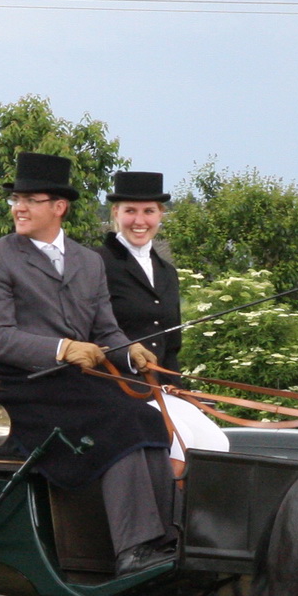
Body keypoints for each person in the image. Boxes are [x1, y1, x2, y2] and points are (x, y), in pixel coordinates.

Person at [0, 152, 178, 576]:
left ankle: (164, 539)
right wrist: (62, 348)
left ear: (59, 207)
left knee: (149, 419)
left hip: (76, 386)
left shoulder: (88, 261)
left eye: (30, 200)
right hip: (23, 386)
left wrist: (129, 352)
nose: (19, 208)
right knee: (121, 419)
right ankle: (132, 549)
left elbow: (106, 330)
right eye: (15, 200)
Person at [99, 170, 230, 473]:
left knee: (216, 443)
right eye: (130, 211)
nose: (139, 221)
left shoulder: (167, 272)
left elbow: (171, 345)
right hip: (116, 388)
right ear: (115, 213)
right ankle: (165, 502)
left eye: (148, 211)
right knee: (178, 439)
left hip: (160, 389)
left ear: (160, 214)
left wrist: (180, 392)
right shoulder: (97, 263)